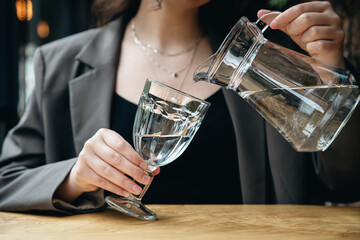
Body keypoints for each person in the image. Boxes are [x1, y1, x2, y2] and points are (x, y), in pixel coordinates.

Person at [0, 0, 359, 214]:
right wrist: (74, 177)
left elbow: (344, 184)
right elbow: (8, 183)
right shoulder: (59, 62)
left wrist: (332, 80)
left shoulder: (267, 58)